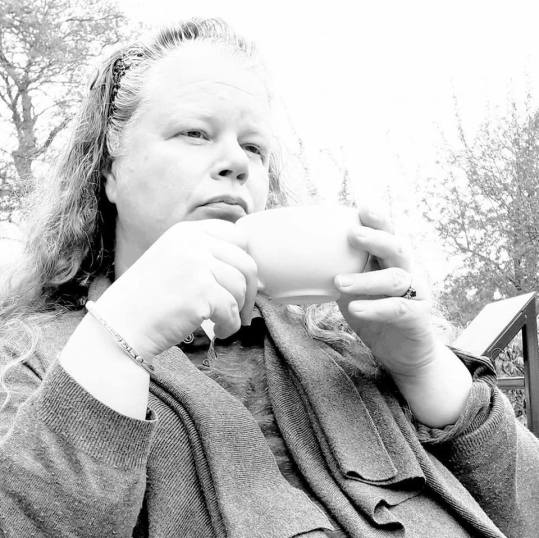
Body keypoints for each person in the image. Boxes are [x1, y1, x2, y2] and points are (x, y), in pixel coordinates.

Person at [0, 18, 537, 538]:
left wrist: (423, 368)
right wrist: (117, 341)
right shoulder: (29, 361)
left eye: (254, 147)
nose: (236, 161)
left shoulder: (346, 349)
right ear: (109, 171)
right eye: (195, 132)